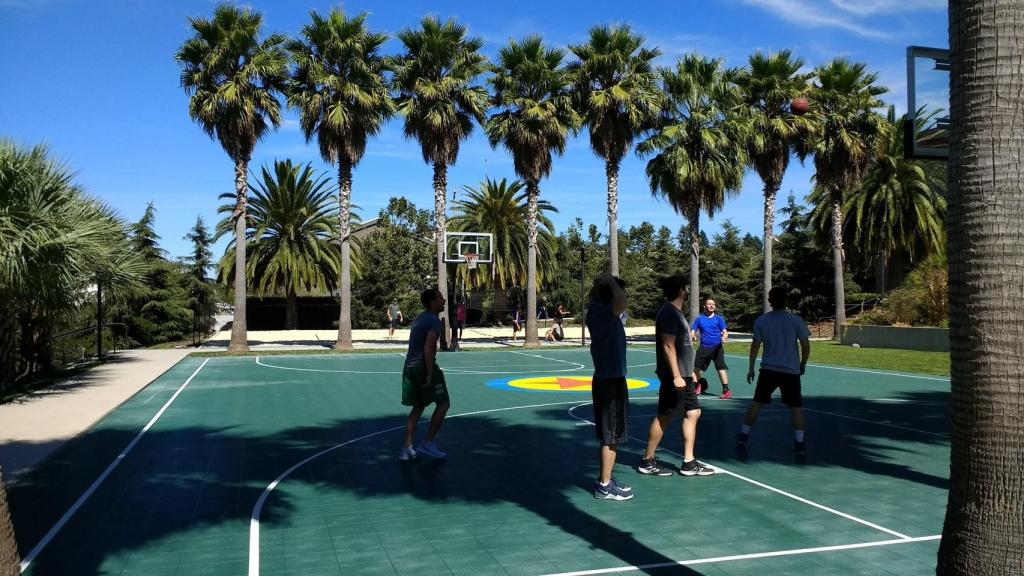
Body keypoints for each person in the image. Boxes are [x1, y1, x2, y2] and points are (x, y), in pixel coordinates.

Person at [637, 274, 715, 478]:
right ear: (681, 290)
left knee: (693, 413)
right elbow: (668, 345)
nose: (688, 291)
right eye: (686, 288)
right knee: (665, 415)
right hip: (676, 376)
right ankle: (647, 460)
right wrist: (676, 375)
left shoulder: (676, 312)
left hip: (685, 375)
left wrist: (690, 373)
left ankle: (689, 462)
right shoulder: (669, 313)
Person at [736, 286, 812, 455]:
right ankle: (800, 444)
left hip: (768, 370)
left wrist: (751, 368)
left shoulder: (762, 321)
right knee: (796, 407)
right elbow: (806, 345)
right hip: (790, 372)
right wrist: (803, 363)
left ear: (770, 301)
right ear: (786, 300)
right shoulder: (796, 321)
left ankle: (743, 436)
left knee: (757, 402)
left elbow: (755, 346)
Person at [587, 273, 633, 500]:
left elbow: (616, 300)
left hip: (605, 378)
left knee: (610, 434)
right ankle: (604, 485)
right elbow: (621, 301)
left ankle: (606, 477)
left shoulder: (595, 310)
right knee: (611, 436)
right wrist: (611, 282)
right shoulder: (606, 313)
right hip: (611, 379)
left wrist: (604, 283)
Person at [399, 288, 451, 461]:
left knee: (418, 407)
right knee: (443, 403)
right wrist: (429, 373)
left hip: (409, 366)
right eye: (440, 298)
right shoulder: (433, 321)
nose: (444, 301)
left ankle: (406, 449)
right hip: (421, 366)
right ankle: (428, 443)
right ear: (432, 302)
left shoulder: (420, 318)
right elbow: (429, 349)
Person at [691, 297, 731, 399]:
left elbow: (725, 332)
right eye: (709, 304)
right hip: (704, 347)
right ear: (705, 306)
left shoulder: (719, 319)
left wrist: (724, 337)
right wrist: (693, 336)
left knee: (720, 368)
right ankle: (698, 385)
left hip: (717, 347)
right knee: (695, 370)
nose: (712, 305)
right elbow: (692, 331)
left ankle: (726, 391)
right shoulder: (699, 319)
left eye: (713, 304)